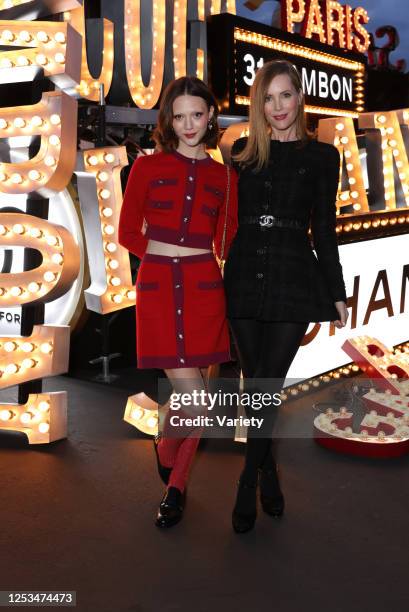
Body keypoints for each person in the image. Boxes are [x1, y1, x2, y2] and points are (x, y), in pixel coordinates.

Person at [224, 59, 349, 533]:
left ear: (300, 97)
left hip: (295, 275)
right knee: (255, 382)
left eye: (285, 95)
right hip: (243, 273)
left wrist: (335, 290)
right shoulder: (241, 152)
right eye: (268, 97)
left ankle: (245, 481)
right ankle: (268, 469)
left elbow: (327, 230)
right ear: (260, 103)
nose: (277, 107)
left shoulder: (323, 157)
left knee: (268, 385)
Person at [118, 76, 238, 528]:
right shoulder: (147, 167)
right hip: (158, 293)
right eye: (179, 115)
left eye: (197, 114)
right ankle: (170, 455)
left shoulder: (225, 175)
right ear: (169, 119)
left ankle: (175, 485)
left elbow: (229, 241)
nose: (189, 124)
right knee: (196, 400)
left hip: (206, 291)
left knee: (194, 400)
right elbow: (127, 232)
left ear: (211, 117)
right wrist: (161, 254)